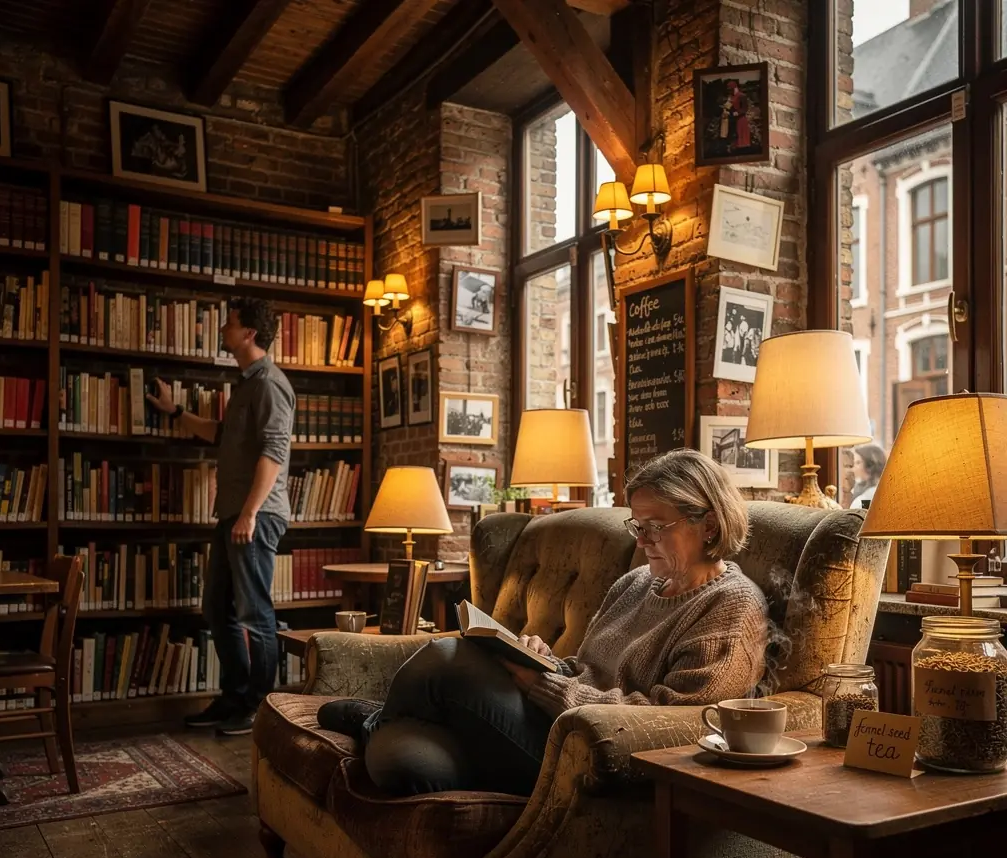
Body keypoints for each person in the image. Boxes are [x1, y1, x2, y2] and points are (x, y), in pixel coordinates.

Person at [319, 449, 769, 797]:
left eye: (656, 526)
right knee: (401, 761)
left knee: (445, 655)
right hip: (551, 719)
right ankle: (387, 727)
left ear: (709, 526)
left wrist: (543, 684)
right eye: (638, 526)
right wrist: (546, 660)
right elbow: (587, 669)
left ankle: (372, 719)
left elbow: (676, 723)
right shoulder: (635, 584)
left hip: (586, 752)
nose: (643, 541)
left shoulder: (731, 606)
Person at [146, 297, 294, 736]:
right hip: (233, 514)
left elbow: (274, 452)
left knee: (255, 613)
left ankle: (260, 707)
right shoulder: (245, 385)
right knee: (217, 607)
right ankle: (234, 697)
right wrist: (176, 412)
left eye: (229, 324)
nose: (222, 330)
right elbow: (221, 435)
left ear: (249, 333)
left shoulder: (270, 384)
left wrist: (249, 513)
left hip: (255, 516)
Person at [850, 442, 887, 509]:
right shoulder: (857, 491)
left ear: (870, 465)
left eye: (858, 462)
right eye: (854, 463)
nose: (853, 468)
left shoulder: (865, 499)